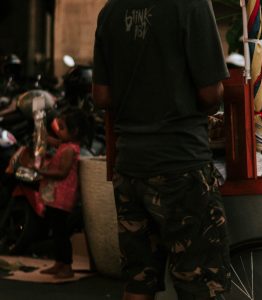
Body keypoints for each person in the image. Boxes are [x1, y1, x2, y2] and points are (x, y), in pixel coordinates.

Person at [92, 0, 230, 299]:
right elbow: (210, 92)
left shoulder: (110, 11)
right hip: (180, 164)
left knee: (138, 281)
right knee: (200, 282)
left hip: (129, 166)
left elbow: (101, 95)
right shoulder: (192, 5)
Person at [37, 108, 94, 279]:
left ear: (74, 131)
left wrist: (41, 172)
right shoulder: (65, 144)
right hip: (56, 196)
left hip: (63, 197)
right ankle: (59, 263)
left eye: (62, 128)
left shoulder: (69, 149)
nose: (59, 131)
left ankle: (67, 266)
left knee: (61, 233)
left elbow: (62, 173)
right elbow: (53, 141)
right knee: (56, 230)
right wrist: (41, 132)